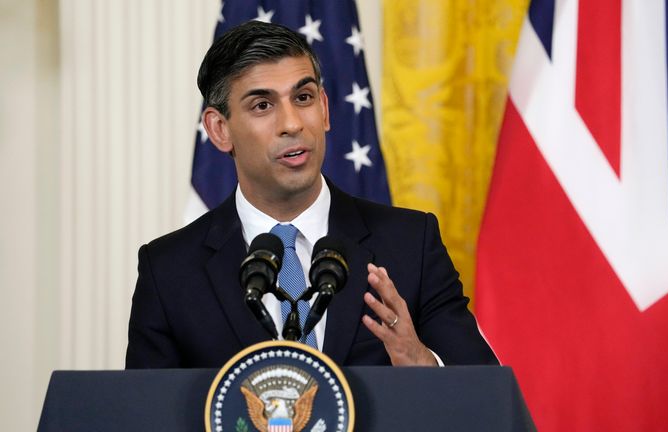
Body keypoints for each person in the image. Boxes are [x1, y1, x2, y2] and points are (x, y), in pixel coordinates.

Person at [125, 20, 497, 368]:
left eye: (302, 98)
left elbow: (487, 399)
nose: (292, 124)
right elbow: (146, 414)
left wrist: (424, 364)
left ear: (324, 108)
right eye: (262, 105)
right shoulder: (169, 271)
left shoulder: (410, 244)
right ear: (219, 129)